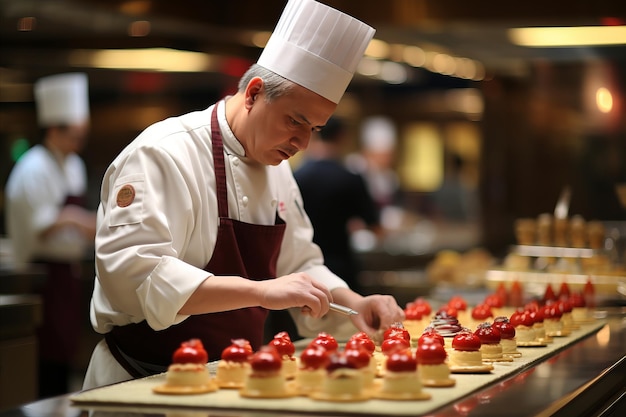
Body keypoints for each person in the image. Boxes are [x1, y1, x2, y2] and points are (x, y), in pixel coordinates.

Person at [82, 0, 404, 390]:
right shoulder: (163, 153)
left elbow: (299, 262)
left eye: (314, 130)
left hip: (235, 385)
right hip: (142, 382)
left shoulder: (278, 169)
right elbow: (134, 276)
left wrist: (353, 303)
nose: (301, 142)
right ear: (253, 93)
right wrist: (259, 292)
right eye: (295, 121)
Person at [5, 72, 97, 397]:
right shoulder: (33, 167)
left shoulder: (73, 165)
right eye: (74, 136)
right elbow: (41, 227)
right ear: (54, 129)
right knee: (46, 361)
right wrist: (74, 218)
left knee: (65, 356)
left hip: (67, 277)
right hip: (40, 277)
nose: (78, 145)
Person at [294, 116, 381, 294]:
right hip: (341, 267)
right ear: (342, 137)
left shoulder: (297, 176)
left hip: (302, 268)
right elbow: (375, 228)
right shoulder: (351, 178)